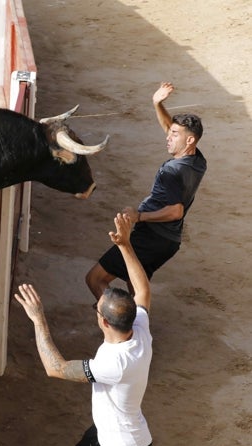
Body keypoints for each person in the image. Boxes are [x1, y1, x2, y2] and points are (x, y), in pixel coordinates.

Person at [16, 212, 153, 446]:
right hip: (107, 432)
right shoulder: (139, 327)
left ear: (105, 323)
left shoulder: (116, 363)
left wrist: (38, 319)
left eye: (97, 309)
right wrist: (124, 245)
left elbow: (55, 368)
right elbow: (142, 289)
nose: (95, 310)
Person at [85, 82, 207, 300]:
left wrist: (138, 216)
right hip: (169, 241)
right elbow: (171, 129)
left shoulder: (172, 170)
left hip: (152, 237)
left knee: (95, 279)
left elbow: (176, 211)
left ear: (189, 140)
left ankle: (120, 325)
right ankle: (139, 327)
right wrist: (157, 104)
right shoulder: (197, 160)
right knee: (136, 286)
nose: (168, 137)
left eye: (174, 135)